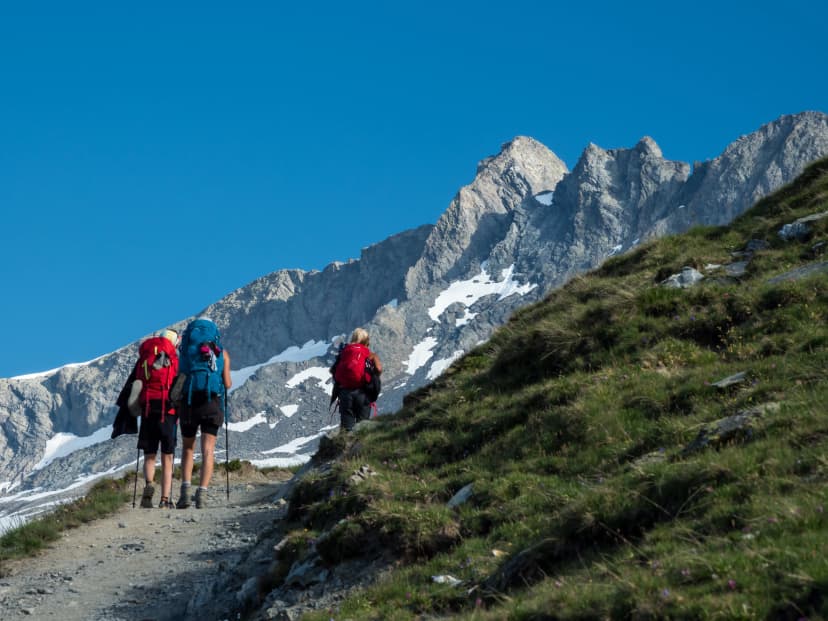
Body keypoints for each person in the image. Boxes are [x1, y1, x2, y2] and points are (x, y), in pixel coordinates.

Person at [175, 317, 232, 509]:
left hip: (189, 403)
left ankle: (185, 493)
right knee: (208, 450)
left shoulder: (185, 351)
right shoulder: (221, 352)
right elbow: (227, 384)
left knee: (188, 448)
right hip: (211, 402)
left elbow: (180, 376)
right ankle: (202, 495)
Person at [134, 328, 180, 509]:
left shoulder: (145, 357)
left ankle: (149, 484)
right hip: (168, 411)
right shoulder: (174, 358)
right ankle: (164, 500)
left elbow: (138, 382)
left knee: (150, 456)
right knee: (167, 458)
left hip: (148, 410)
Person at [330, 327, 382, 431]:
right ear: (366, 341)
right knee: (362, 428)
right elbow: (379, 369)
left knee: (347, 429)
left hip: (345, 394)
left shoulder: (344, 352)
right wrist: (373, 376)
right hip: (363, 394)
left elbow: (334, 370)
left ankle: (345, 440)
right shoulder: (370, 354)